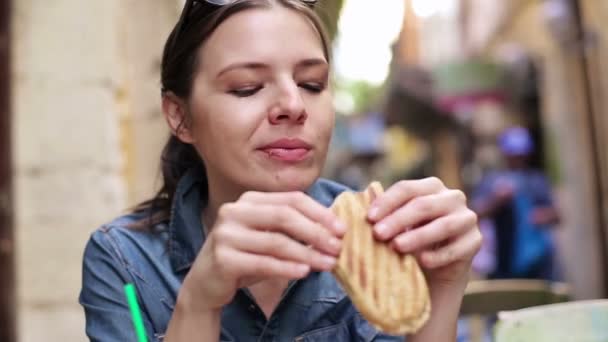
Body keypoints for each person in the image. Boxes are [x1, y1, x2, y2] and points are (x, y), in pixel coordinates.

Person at [79, 1, 481, 341]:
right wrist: (198, 303)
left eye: (312, 83)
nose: (293, 104)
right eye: (247, 87)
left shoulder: (380, 242)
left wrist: (442, 290)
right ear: (180, 117)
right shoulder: (125, 261)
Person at [472, 126, 559, 280]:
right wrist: (497, 200)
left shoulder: (536, 180)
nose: (518, 159)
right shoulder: (492, 181)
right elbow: (476, 214)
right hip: (503, 264)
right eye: (514, 155)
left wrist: (541, 216)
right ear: (505, 154)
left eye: (522, 155)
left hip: (538, 264)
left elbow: (557, 215)